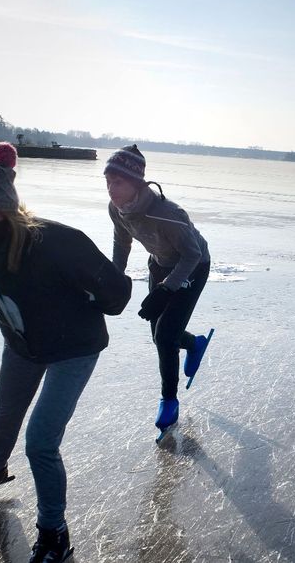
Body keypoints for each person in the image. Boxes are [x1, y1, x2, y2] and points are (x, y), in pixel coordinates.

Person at [0, 142, 132, 562]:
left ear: (5, 209)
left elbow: (117, 296)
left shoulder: (58, 242)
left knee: (40, 442)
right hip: (23, 344)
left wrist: (75, 304)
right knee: (6, 409)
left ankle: (54, 535)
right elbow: (0, 301)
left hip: (74, 348)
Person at [104, 145, 213, 438]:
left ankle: (169, 400)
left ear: (137, 183)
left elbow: (191, 255)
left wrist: (167, 289)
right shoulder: (117, 209)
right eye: (108, 181)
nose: (111, 189)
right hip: (160, 265)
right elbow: (121, 243)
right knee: (159, 336)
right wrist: (115, 277)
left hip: (193, 266)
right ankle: (193, 344)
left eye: (118, 182)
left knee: (165, 335)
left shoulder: (168, 213)